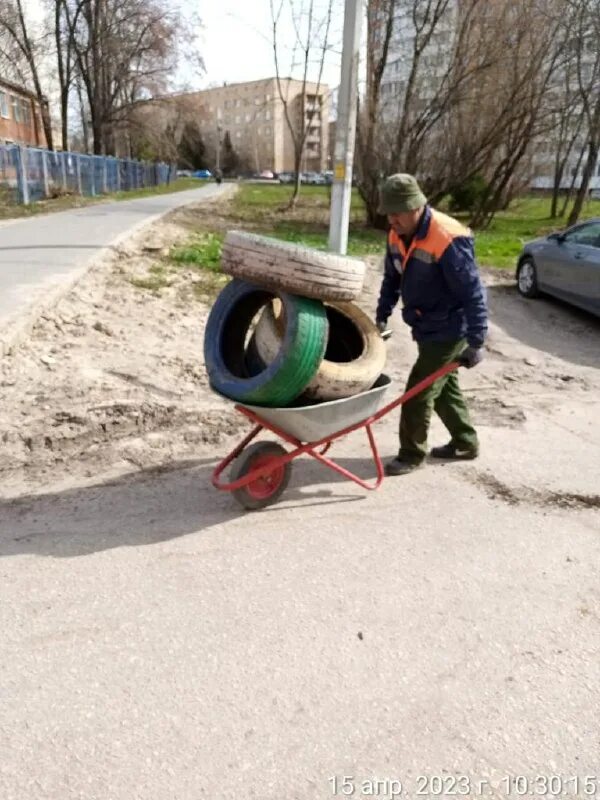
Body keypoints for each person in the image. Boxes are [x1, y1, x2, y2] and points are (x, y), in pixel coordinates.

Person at [375, 173, 488, 476]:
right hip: (426, 326)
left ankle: (411, 454)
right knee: (443, 387)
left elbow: (472, 291)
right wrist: (382, 313)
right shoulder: (397, 234)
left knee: (418, 393)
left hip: (451, 329)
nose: (391, 219)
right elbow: (392, 278)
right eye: (388, 213)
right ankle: (465, 441)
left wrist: (477, 340)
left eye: (396, 212)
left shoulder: (448, 237)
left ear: (415, 207)